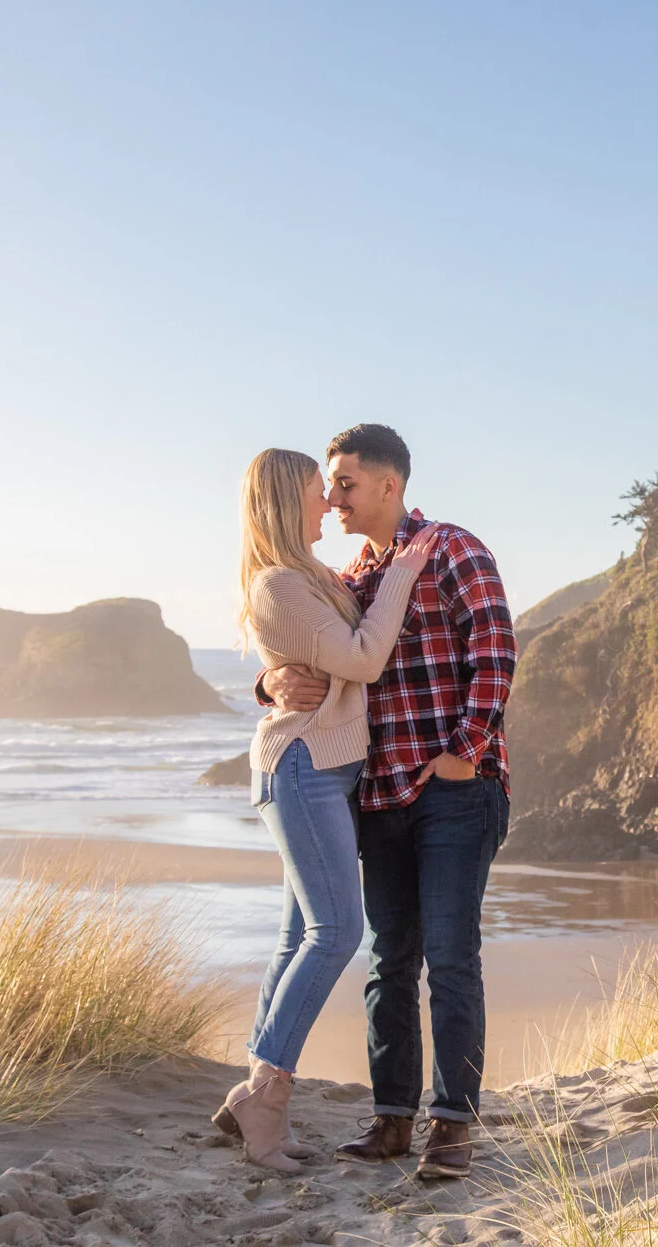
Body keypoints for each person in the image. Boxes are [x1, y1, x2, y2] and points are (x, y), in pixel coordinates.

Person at [259, 423, 517, 1181]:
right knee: (388, 960)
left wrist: (463, 755)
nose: (330, 497)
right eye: (327, 485)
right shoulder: (350, 577)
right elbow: (312, 654)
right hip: (377, 794)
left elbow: (495, 651)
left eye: (343, 483)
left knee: (450, 956)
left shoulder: (452, 548)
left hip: (451, 794)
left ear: (387, 485)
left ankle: (452, 1125)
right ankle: (392, 1119)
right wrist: (267, 684)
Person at [215, 447, 435, 1174]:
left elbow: (315, 653)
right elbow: (364, 659)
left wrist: (267, 679)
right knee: (336, 930)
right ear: (286, 502)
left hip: (326, 769)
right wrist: (402, 570)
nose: (330, 503)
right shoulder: (280, 583)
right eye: (318, 491)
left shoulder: (310, 577)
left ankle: (251, 1090)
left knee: (294, 938)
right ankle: (267, 1099)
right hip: (304, 769)